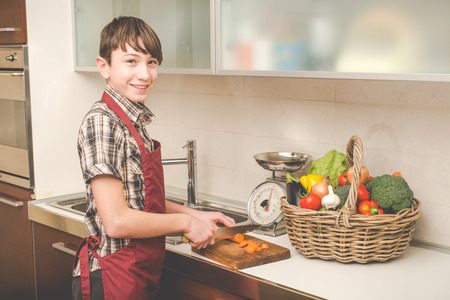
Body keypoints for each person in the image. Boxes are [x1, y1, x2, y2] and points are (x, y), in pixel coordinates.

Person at [72, 16, 236, 300]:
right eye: (131, 61)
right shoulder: (103, 123)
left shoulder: (131, 121)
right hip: (112, 278)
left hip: (136, 274)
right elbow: (117, 221)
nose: (145, 74)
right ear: (104, 67)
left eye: (152, 62)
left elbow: (143, 201)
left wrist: (195, 214)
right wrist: (186, 225)